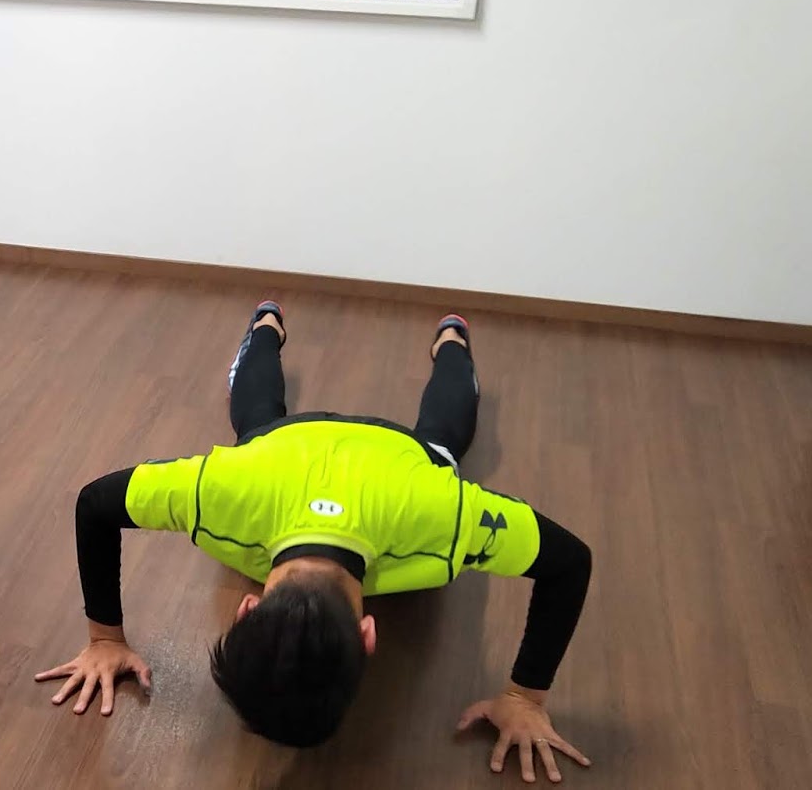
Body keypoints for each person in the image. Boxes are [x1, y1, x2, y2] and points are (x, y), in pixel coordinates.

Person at [37, 304, 594, 782]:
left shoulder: (444, 515)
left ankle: (429, 337)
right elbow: (95, 504)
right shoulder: (218, 490)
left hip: (338, 457)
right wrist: (103, 638)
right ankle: (284, 325)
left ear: (369, 633)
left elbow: (571, 563)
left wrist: (526, 697)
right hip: (302, 454)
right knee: (269, 428)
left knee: (438, 444)